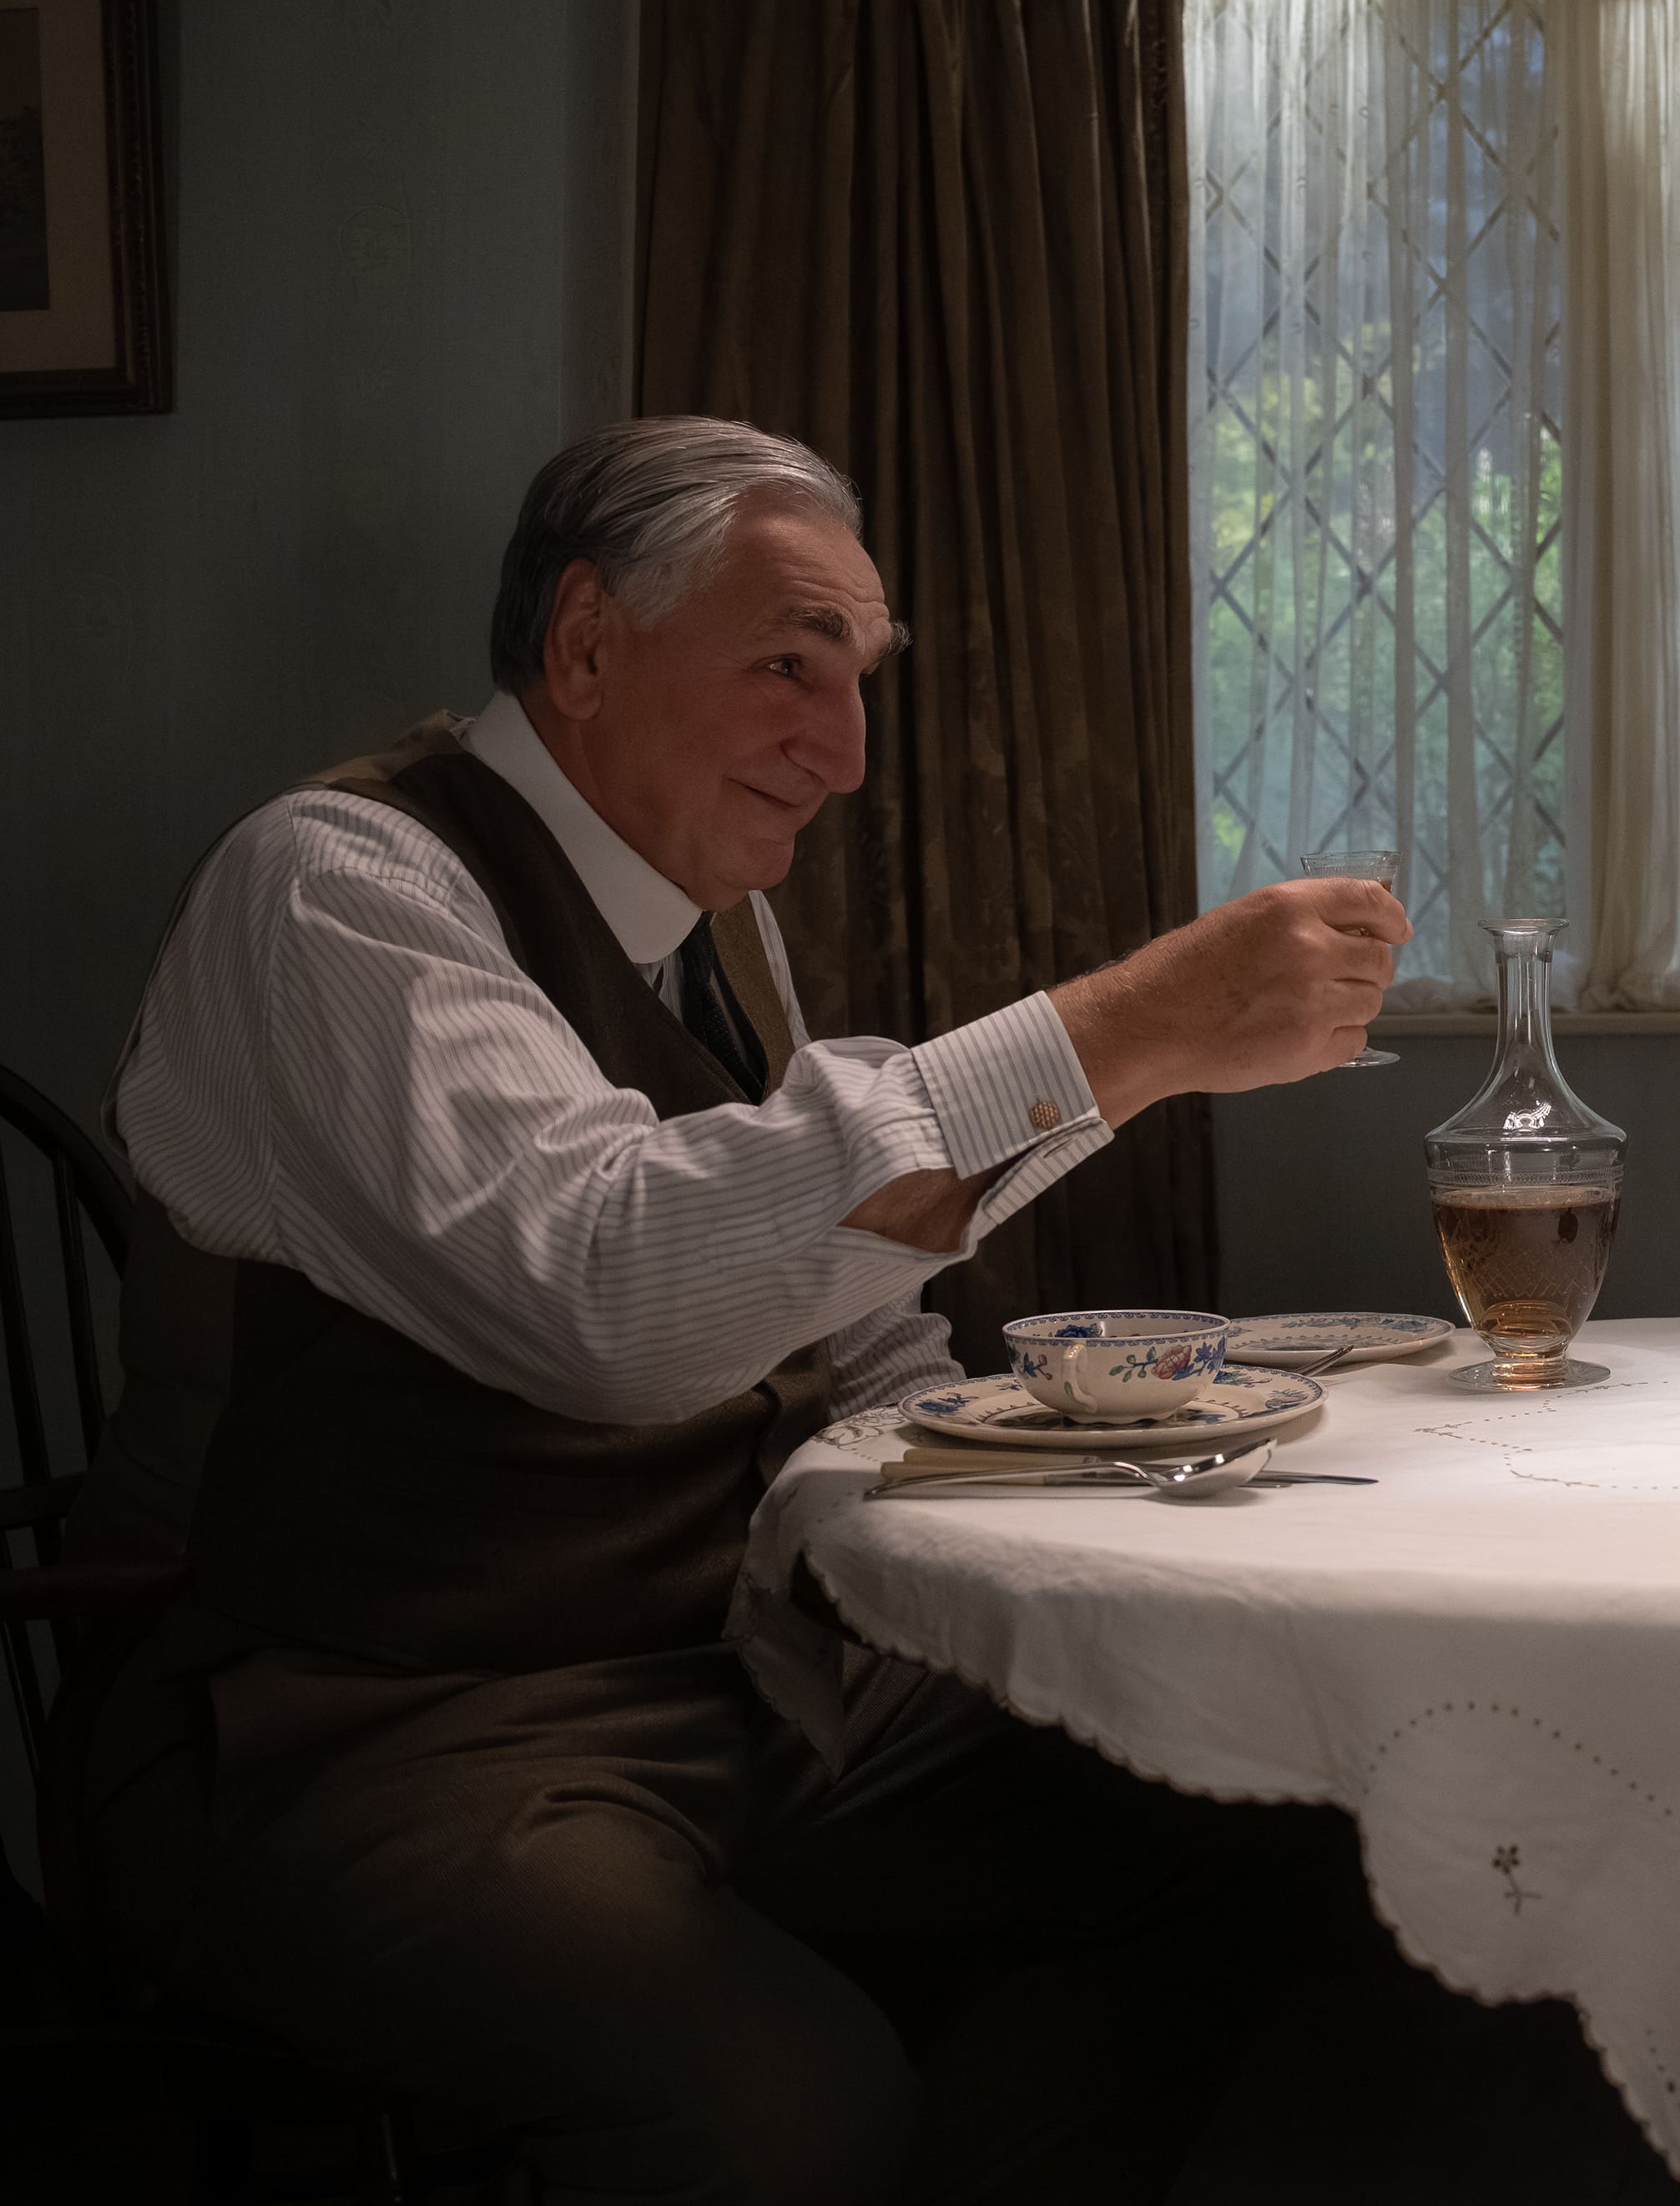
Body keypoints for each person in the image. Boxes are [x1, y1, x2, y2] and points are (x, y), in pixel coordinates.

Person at [72, 417, 1410, 2204]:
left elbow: (844, 1337)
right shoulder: (337, 888)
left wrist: (1087, 1492)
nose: (843, 754)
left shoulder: (708, 918)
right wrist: (1118, 1036)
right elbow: (609, 1294)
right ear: (586, 644)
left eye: (860, 681)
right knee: (786, 2105)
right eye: (791, 664)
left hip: (730, 1675)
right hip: (354, 1729)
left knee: (1286, 1827)